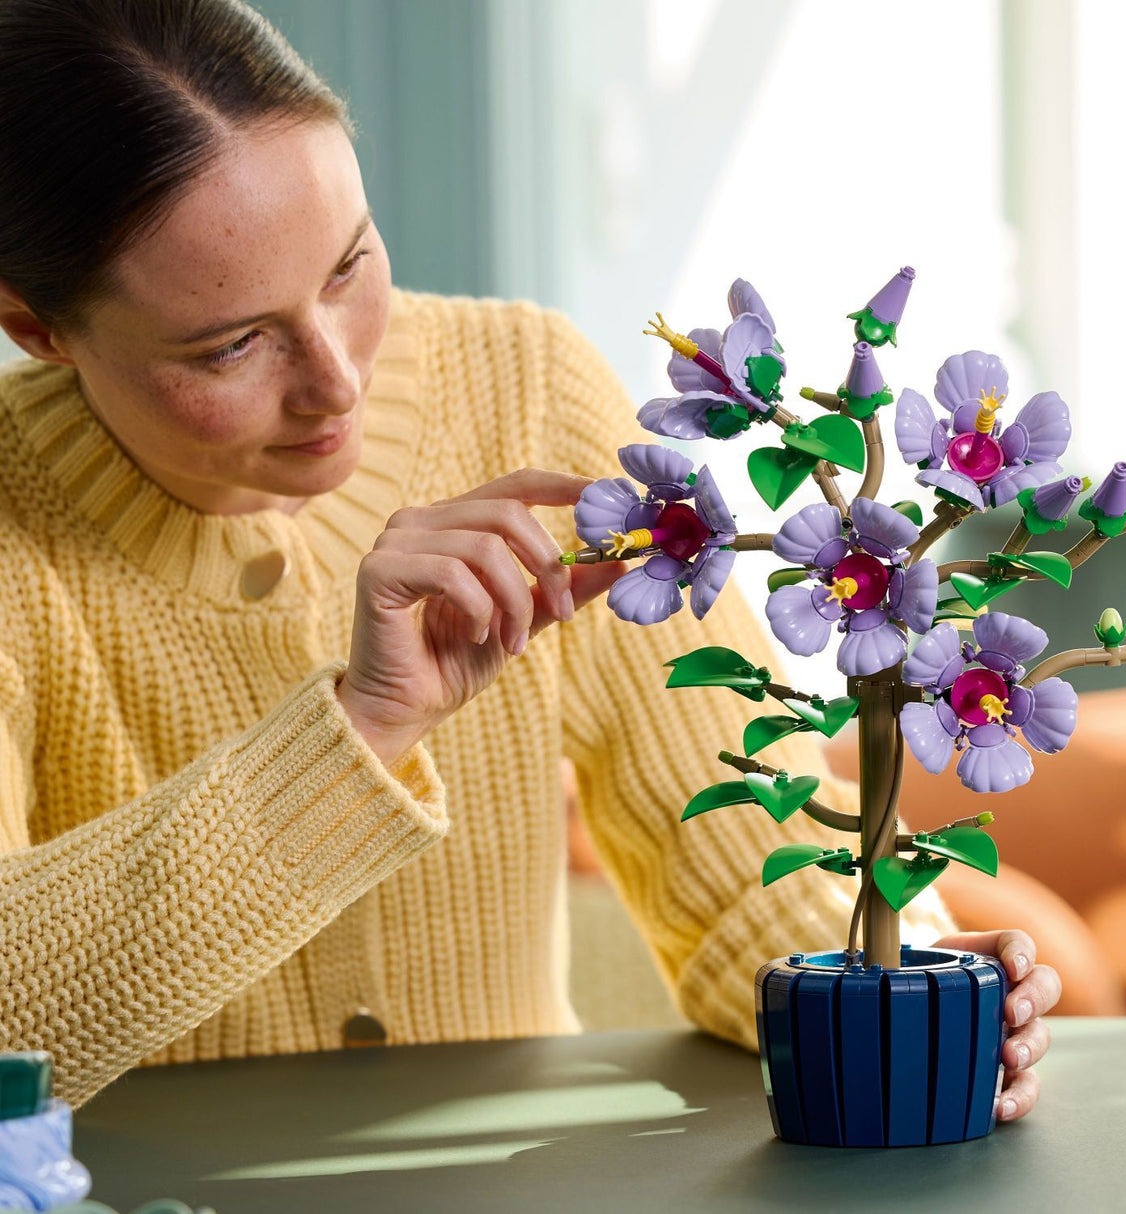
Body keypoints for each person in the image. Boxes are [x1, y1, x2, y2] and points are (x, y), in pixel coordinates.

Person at [0, 0, 1056, 1119]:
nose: (337, 380)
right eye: (231, 345)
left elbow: (744, 853)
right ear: (39, 329)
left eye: (349, 266)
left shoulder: (524, 388)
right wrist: (362, 730)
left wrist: (887, 982)